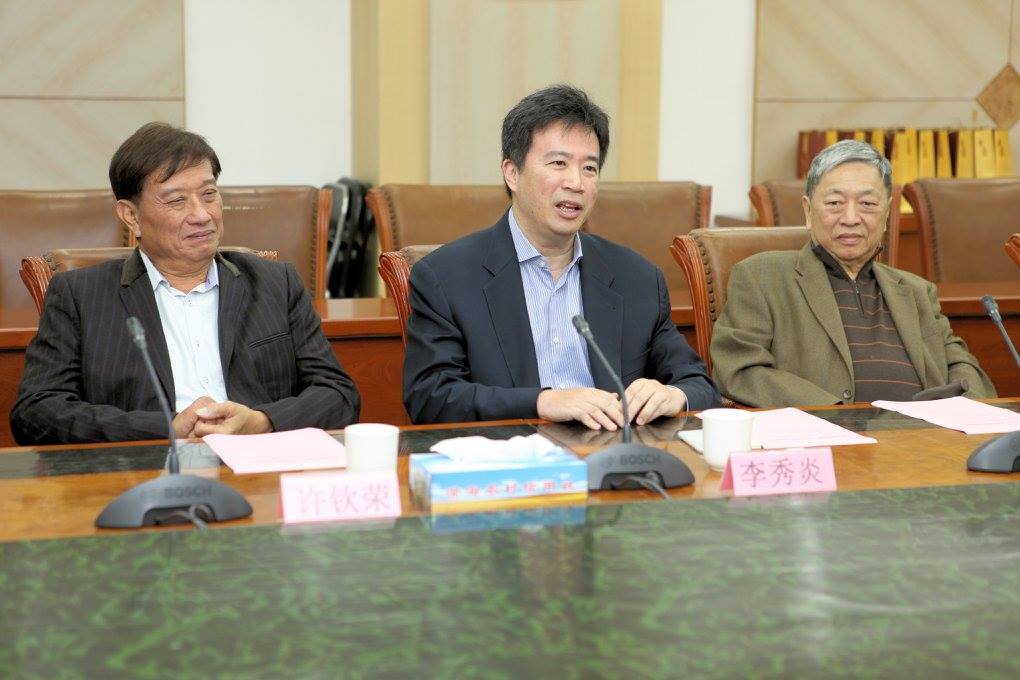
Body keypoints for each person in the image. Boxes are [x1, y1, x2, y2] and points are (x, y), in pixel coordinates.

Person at [11, 122, 360, 444]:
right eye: (177, 200)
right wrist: (166, 429)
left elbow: (339, 395)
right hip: (145, 474)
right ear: (131, 215)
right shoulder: (80, 296)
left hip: (260, 467)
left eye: (209, 194)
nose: (202, 215)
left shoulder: (275, 284)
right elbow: (36, 413)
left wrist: (261, 421)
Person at [403, 85, 720, 428]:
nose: (576, 183)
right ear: (512, 173)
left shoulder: (637, 277)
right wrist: (543, 402)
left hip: (613, 453)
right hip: (513, 454)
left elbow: (699, 385)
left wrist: (672, 395)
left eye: (589, 168)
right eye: (558, 163)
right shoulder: (446, 277)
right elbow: (431, 397)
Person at [711, 139, 995, 407]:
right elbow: (738, 369)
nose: (850, 218)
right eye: (834, 203)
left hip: (925, 435)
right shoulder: (762, 277)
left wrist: (963, 412)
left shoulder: (916, 291)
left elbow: (962, 367)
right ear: (808, 211)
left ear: (887, 214)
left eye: (867, 204)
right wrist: (835, 412)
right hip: (825, 435)